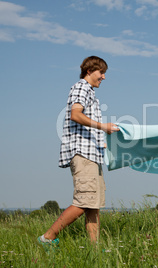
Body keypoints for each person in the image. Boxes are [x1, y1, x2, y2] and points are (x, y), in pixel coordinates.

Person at [38, 56, 119, 248]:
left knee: (93, 206)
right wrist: (102, 126)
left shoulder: (90, 92)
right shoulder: (81, 87)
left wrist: (103, 139)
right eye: (101, 72)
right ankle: (48, 237)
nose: (104, 77)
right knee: (84, 201)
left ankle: (94, 250)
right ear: (90, 71)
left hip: (92, 154)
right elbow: (76, 114)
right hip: (83, 154)